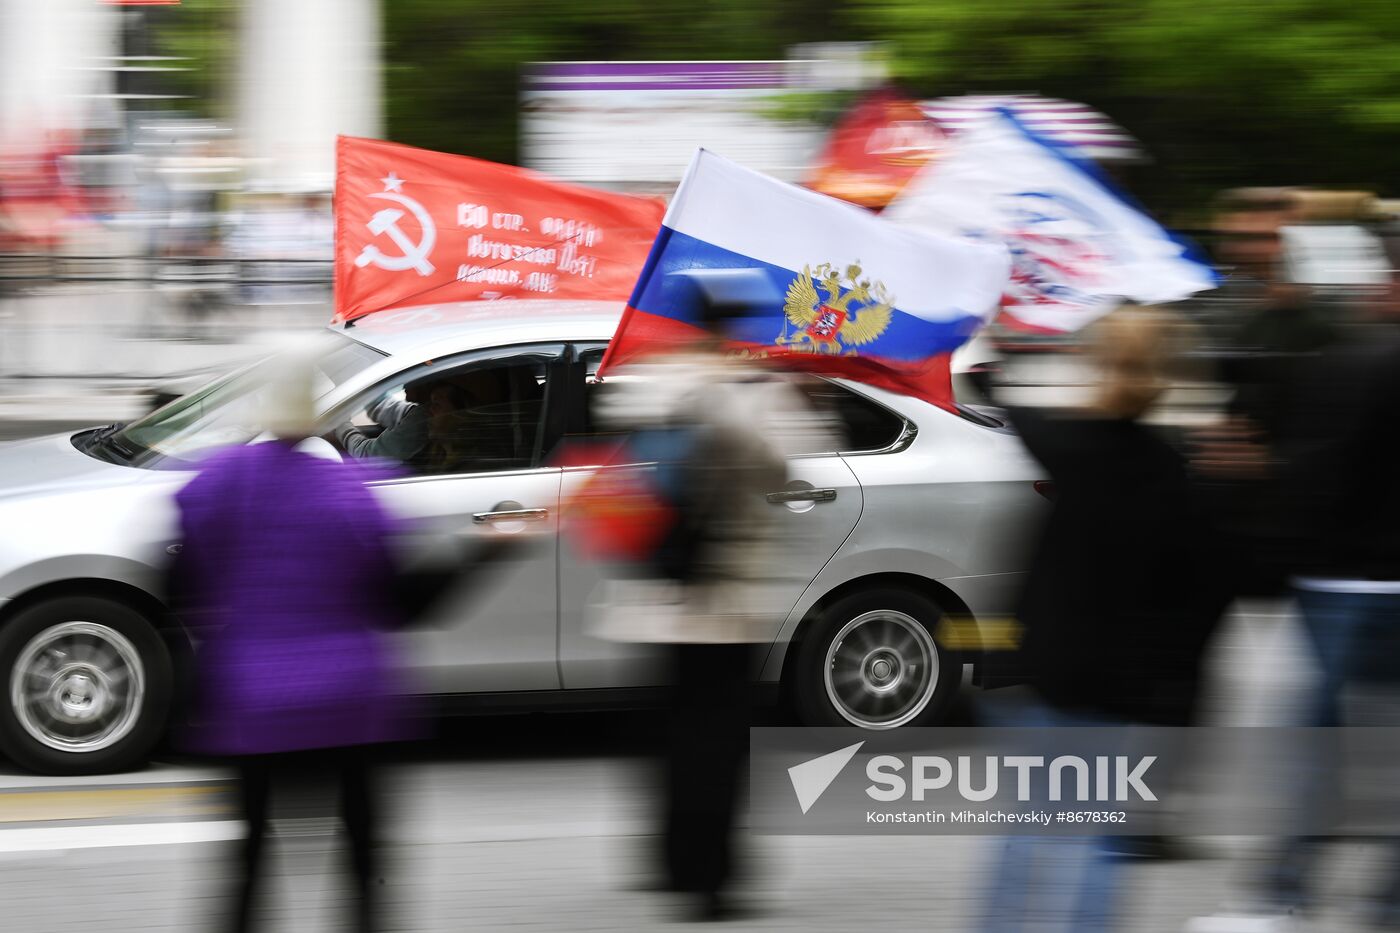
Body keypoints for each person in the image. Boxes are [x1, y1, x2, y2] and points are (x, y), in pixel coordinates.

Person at [589, 268, 834, 922]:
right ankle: (710, 882)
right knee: (717, 744)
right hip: (723, 602)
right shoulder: (752, 392)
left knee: (671, 734)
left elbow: (617, 450)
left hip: (653, 597)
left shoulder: (651, 379)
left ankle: (670, 862)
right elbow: (783, 468)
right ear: (734, 324)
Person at [980, 307, 1227, 932]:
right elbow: (1199, 591)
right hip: (1119, 682)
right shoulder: (1172, 470)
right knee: (1091, 830)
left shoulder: (1072, 447)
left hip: (1047, 667)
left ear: (1097, 362)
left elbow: (1005, 405)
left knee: (1030, 823)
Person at [171, 346, 414, 933]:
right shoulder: (353, 490)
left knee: (250, 851)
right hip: (350, 700)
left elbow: (181, 588)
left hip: (253, 700)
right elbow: (393, 601)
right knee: (362, 845)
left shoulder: (219, 481)